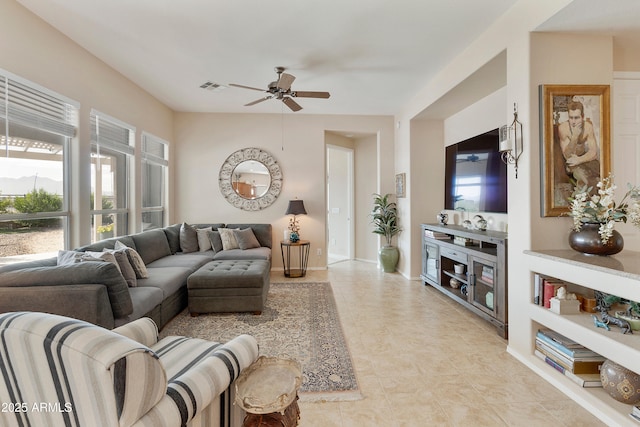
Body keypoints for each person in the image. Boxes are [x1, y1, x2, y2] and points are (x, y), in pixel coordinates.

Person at [556, 100, 600, 190]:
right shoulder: (563, 128)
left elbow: (593, 152)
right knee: (584, 180)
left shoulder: (588, 127)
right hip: (571, 162)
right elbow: (567, 155)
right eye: (571, 117)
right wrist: (575, 137)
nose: (573, 121)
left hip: (583, 158)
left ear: (582, 116)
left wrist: (579, 159)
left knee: (598, 178)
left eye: (576, 118)